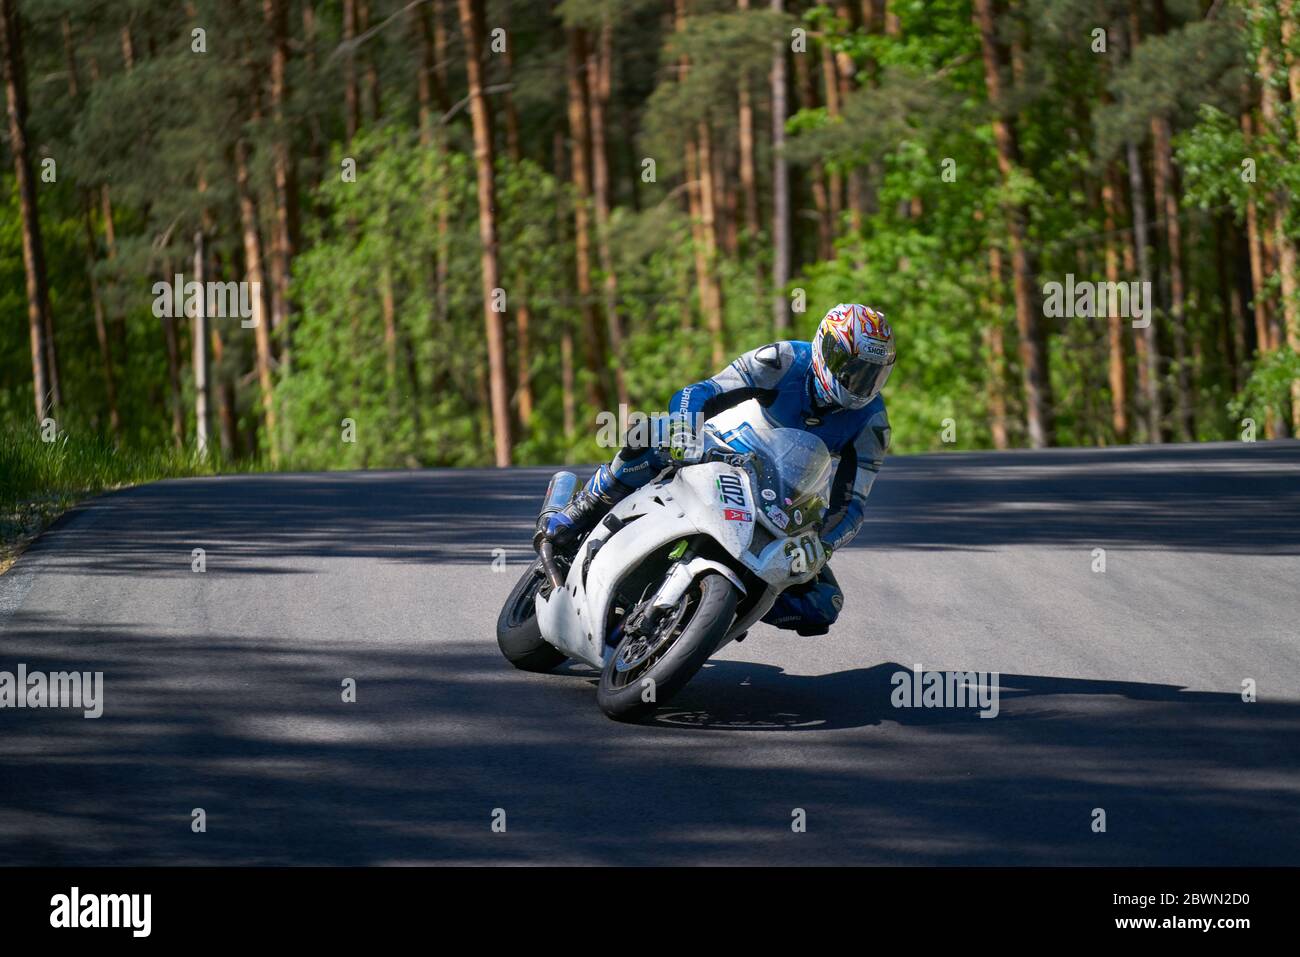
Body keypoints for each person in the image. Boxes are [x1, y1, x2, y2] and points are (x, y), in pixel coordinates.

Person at [538, 303, 894, 636]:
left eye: (872, 375)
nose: (860, 383)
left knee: (822, 606)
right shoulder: (782, 359)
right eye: (853, 369)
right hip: (721, 449)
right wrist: (684, 428)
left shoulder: (872, 424)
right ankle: (585, 505)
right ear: (826, 350)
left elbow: (851, 506)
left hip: (782, 497)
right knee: (650, 432)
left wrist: (823, 545)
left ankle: (718, 616)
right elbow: (700, 392)